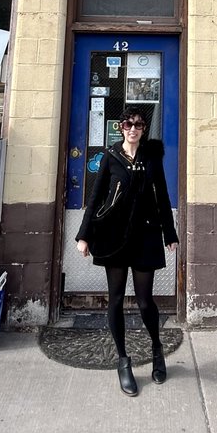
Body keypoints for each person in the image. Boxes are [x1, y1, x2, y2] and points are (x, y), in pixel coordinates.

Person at [75, 107, 178, 396]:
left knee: (146, 302)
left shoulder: (151, 157)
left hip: (145, 235)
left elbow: (163, 194)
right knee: (116, 300)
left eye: (139, 125)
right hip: (114, 236)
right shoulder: (111, 156)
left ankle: (157, 349)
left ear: (144, 130)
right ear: (120, 128)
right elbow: (96, 197)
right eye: (128, 125)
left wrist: (169, 234)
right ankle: (123, 361)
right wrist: (84, 235)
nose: (133, 130)